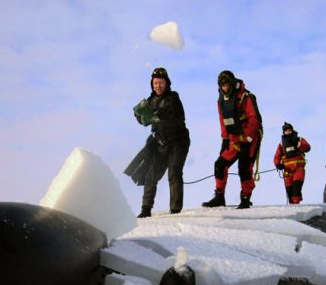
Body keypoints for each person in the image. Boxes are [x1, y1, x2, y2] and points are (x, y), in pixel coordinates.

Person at [132, 67, 190, 218]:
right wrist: (139, 115)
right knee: (151, 176)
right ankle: (145, 209)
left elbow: (171, 114)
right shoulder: (150, 101)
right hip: (161, 144)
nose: (158, 86)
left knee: (174, 172)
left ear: (167, 83)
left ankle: (175, 210)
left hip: (178, 142)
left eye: (161, 83)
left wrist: (156, 114)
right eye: (155, 83)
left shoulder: (174, 99)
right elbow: (142, 119)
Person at [202, 70, 262, 209]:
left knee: (244, 167)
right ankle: (219, 197)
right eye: (222, 86)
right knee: (220, 165)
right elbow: (223, 121)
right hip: (233, 138)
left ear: (232, 83)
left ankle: (245, 198)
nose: (225, 88)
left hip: (250, 137)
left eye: (227, 85)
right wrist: (225, 139)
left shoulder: (246, 97)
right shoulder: (221, 100)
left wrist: (247, 138)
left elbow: (255, 119)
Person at [273, 122, 310, 205]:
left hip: (298, 168)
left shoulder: (299, 139)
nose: (288, 132)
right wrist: (278, 164)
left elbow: (307, 147)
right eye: (286, 131)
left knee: (296, 189)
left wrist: (299, 145)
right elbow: (277, 156)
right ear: (283, 132)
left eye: (289, 130)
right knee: (289, 193)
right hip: (287, 170)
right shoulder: (281, 144)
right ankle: (292, 206)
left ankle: (296, 205)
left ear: (292, 130)